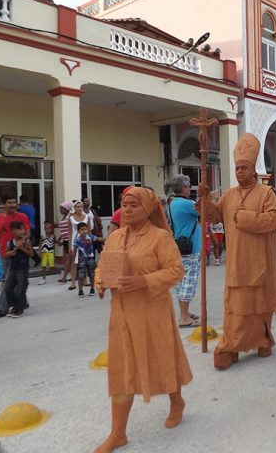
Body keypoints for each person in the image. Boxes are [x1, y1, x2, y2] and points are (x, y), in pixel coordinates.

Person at [94, 187, 192, 453]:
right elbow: (103, 265)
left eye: (133, 205)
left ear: (148, 209)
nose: (127, 210)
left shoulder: (160, 238)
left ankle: (177, 402)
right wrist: (100, 282)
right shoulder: (115, 237)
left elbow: (176, 270)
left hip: (153, 313)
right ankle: (118, 433)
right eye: (124, 205)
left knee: (162, 358)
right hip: (122, 315)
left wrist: (142, 281)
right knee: (122, 369)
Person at [198, 133, 276, 370]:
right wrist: (204, 200)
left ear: (254, 170)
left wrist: (244, 218)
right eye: (237, 168)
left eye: (244, 167)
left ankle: (263, 340)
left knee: (260, 306)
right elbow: (212, 215)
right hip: (236, 263)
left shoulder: (266, 193)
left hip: (260, 261)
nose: (240, 172)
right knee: (236, 308)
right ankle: (231, 346)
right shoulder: (229, 195)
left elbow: (274, 220)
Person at [0, 194, 31, 317]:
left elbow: (27, 232)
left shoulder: (22, 216)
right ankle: (17, 303)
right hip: (5, 253)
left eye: (14, 202)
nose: (12, 205)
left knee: (14, 281)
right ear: (4, 204)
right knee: (9, 281)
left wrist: (21, 242)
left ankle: (3, 307)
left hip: (20, 254)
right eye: (9, 202)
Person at [168, 175, 201, 328]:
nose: (190, 189)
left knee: (182, 281)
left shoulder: (172, 203)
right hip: (190, 247)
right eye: (188, 186)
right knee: (189, 281)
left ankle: (184, 313)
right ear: (183, 188)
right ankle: (183, 317)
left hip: (179, 245)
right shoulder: (188, 204)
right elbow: (205, 211)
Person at [2, 221, 33, 318]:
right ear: (12, 231)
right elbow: (5, 254)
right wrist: (10, 253)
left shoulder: (26, 242)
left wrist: (22, 249)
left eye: (23, 229)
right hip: (12, 268)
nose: (22, 231)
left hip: (22, 268)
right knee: (7, 288)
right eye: (19, 229)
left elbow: (31, 254)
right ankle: (14, 305)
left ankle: (20, 308)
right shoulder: (10, 242)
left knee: (20, 289)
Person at [67, 201, 93, 291]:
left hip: (85, 242)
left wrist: (90, 241)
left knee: (85, 261)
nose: (80, 208)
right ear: (75, 208)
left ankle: (85, 280)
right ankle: (73, 282)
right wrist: (70, 245)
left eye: (81, 207)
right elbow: (70, 233)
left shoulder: (87, 217)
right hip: (75, 242)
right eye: (78, 207)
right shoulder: (71, 218)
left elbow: (89, 231)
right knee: (74, 263)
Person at [73, 222, 103, 297]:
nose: (84, 231)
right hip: (81, 260)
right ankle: (80, 290)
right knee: (80, 276)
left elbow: (98, 238)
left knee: (92, 274)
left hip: (90, 259)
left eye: (86, 229)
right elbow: (74, 251)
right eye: (82, 229)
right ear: (78, 231)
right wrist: (74, 261)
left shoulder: (90, 237)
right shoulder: (77, 240)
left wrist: (107, 238)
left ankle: (92, 289)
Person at [56, 201, 73, 283]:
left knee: (68, 258)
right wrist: (60, 238)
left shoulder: (70, 217)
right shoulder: (64, 217)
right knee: (68, 258)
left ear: (67, 209)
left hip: (70, 240)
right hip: (65, 240)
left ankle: (64, 276)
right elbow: (63, 230)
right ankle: (70, 275)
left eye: (62, 209)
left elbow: (70, 229)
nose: (60, 211)